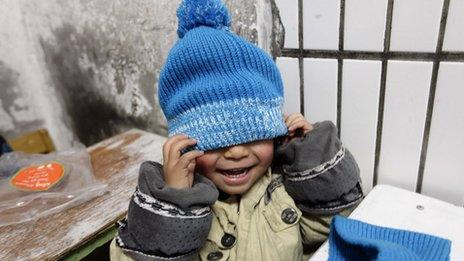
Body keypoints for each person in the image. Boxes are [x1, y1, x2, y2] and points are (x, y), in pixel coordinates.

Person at [110, 0, 363, 260]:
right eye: (216, 140)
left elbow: (334, 225)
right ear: (185, 145)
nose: (236, 152)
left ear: (274, 133)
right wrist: (174, 202)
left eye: (254, 135)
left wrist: (312, 156)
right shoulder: (174, 199)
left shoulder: (283, 189)